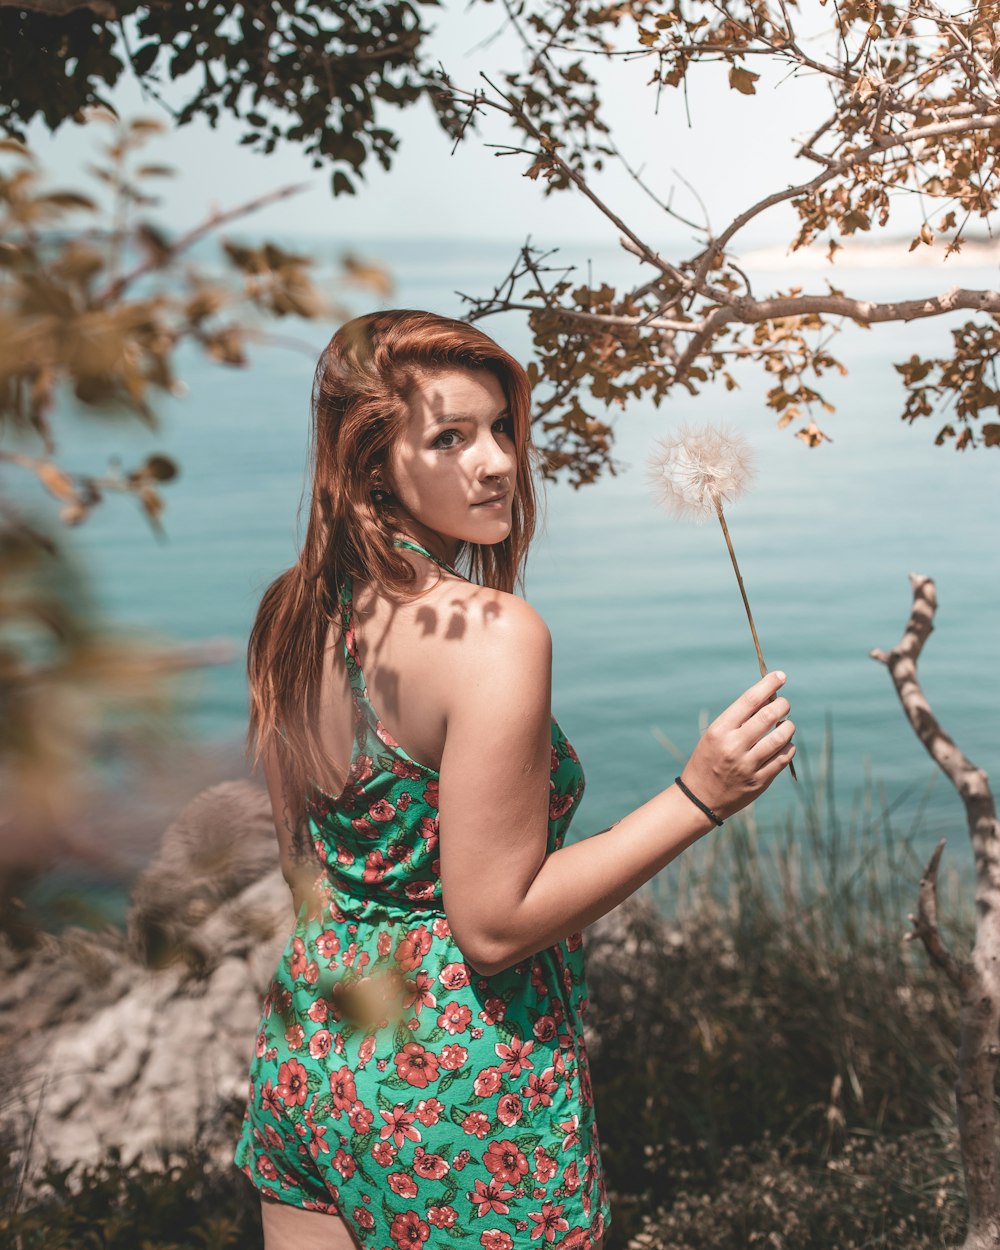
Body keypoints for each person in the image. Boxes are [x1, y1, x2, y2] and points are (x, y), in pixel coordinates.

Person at [234, 309, 795, 1250]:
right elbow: (492, 927)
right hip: (461, 1088)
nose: (496, 461)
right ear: (372, 461)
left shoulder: (293, 612)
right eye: (450, 437)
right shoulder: (493, 635)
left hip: (315, 1050)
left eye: (500, 428)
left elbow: (312, 858)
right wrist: (702, 795)